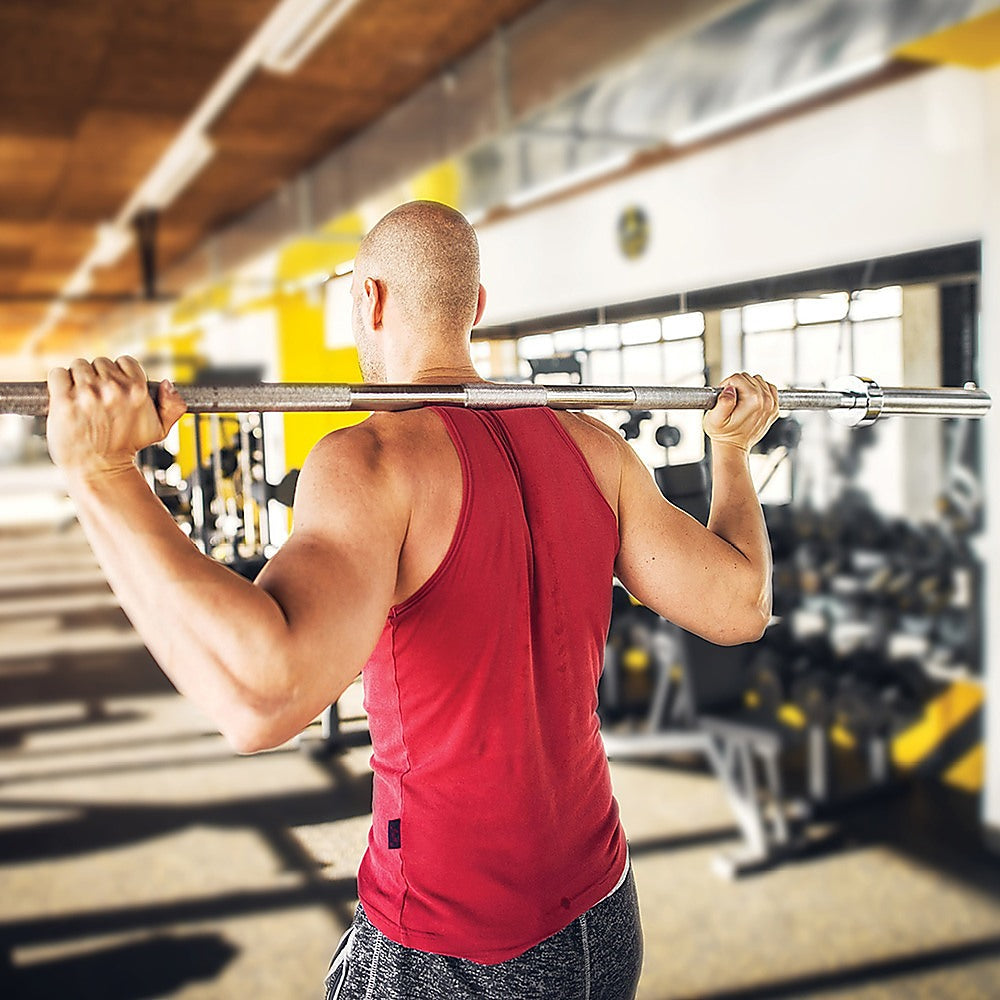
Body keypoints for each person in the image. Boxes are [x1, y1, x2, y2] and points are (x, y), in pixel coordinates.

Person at [45, 200, 778, 1000]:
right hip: (602, 918)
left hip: (453, 946)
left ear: (369, 300)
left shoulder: (370, 460)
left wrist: (104, 475)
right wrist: (731, 454)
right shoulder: (597, 449)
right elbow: (740, 604)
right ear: (476, 309)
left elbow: (261, 695)